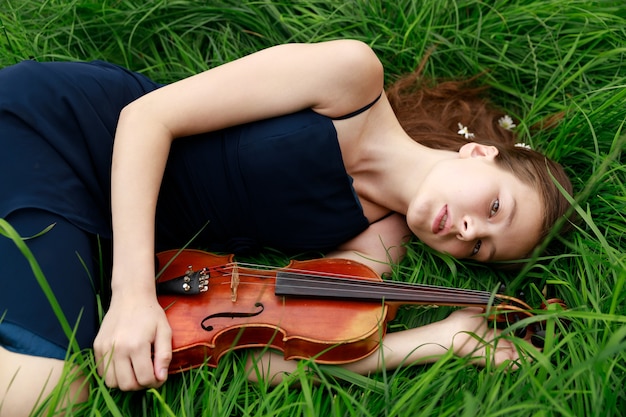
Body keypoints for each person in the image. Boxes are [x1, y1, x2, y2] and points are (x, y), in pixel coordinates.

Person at [0, 40, 572, 416]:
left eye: (479, 247)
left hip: (109, 227)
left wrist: (437, 340)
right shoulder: (351, 79)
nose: (467, 229)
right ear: (480, 155)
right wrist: (131, 296)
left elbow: (265, 344)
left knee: (67, 393)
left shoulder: (380, 239)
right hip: (68, 133)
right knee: (54, 395)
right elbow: (146, 117)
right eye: (495, 208)